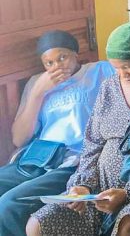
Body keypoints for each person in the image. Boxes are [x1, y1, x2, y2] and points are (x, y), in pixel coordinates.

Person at [27, 22, 130, 236]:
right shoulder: (109, 87)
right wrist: (84, 186)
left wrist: (128, 193)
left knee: (129, 227)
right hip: (98, 188)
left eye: (127, 66)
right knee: (38, 224)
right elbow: (92, 142)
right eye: (116, 67)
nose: (122, 73)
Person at [0, 31, 113, 235]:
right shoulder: (37, 82)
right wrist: (38, 92)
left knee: (8, 204)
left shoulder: (98, 70)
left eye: (62, 57)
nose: (57, 67)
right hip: (37, 158)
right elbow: (19, 138)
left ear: (75, 54)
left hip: (73, 161)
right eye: (49, 63)